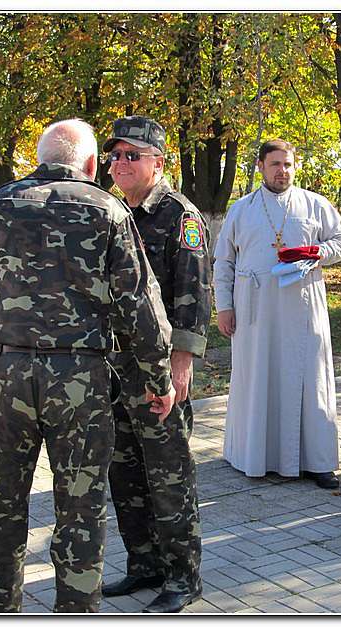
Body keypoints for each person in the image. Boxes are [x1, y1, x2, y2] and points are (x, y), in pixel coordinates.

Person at [0, 119, 176, 613]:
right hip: (80, 380)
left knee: (3, 501)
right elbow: (140, 308)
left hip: (8, 375)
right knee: (80, 507)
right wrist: (157, 379)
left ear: (40, 159)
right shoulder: (107, 210)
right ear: (90, 163)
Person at [99, 116, 210, 614]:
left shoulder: (179, 215)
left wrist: (182, 361)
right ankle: (142, 564)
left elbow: (193, 295)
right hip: (114, 365)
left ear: (158, 162)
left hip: (159, 368)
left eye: (131, 155)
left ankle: (183, 577)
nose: (120, 163)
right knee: (123, 472)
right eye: (115, 155)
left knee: (168, 476)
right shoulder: (112, 210)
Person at [213, 139, 341, 489]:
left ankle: (317, 461)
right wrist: (224, 306)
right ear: (260, 166)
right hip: (255, 310)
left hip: (303, 307)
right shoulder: (241, 209)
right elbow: (224, 261)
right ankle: (254, 455)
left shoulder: (315, 204)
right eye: (275, 164)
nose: (282, 171)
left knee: (310, 380)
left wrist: (316, 252)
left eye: (288, 164)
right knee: (259, 376)